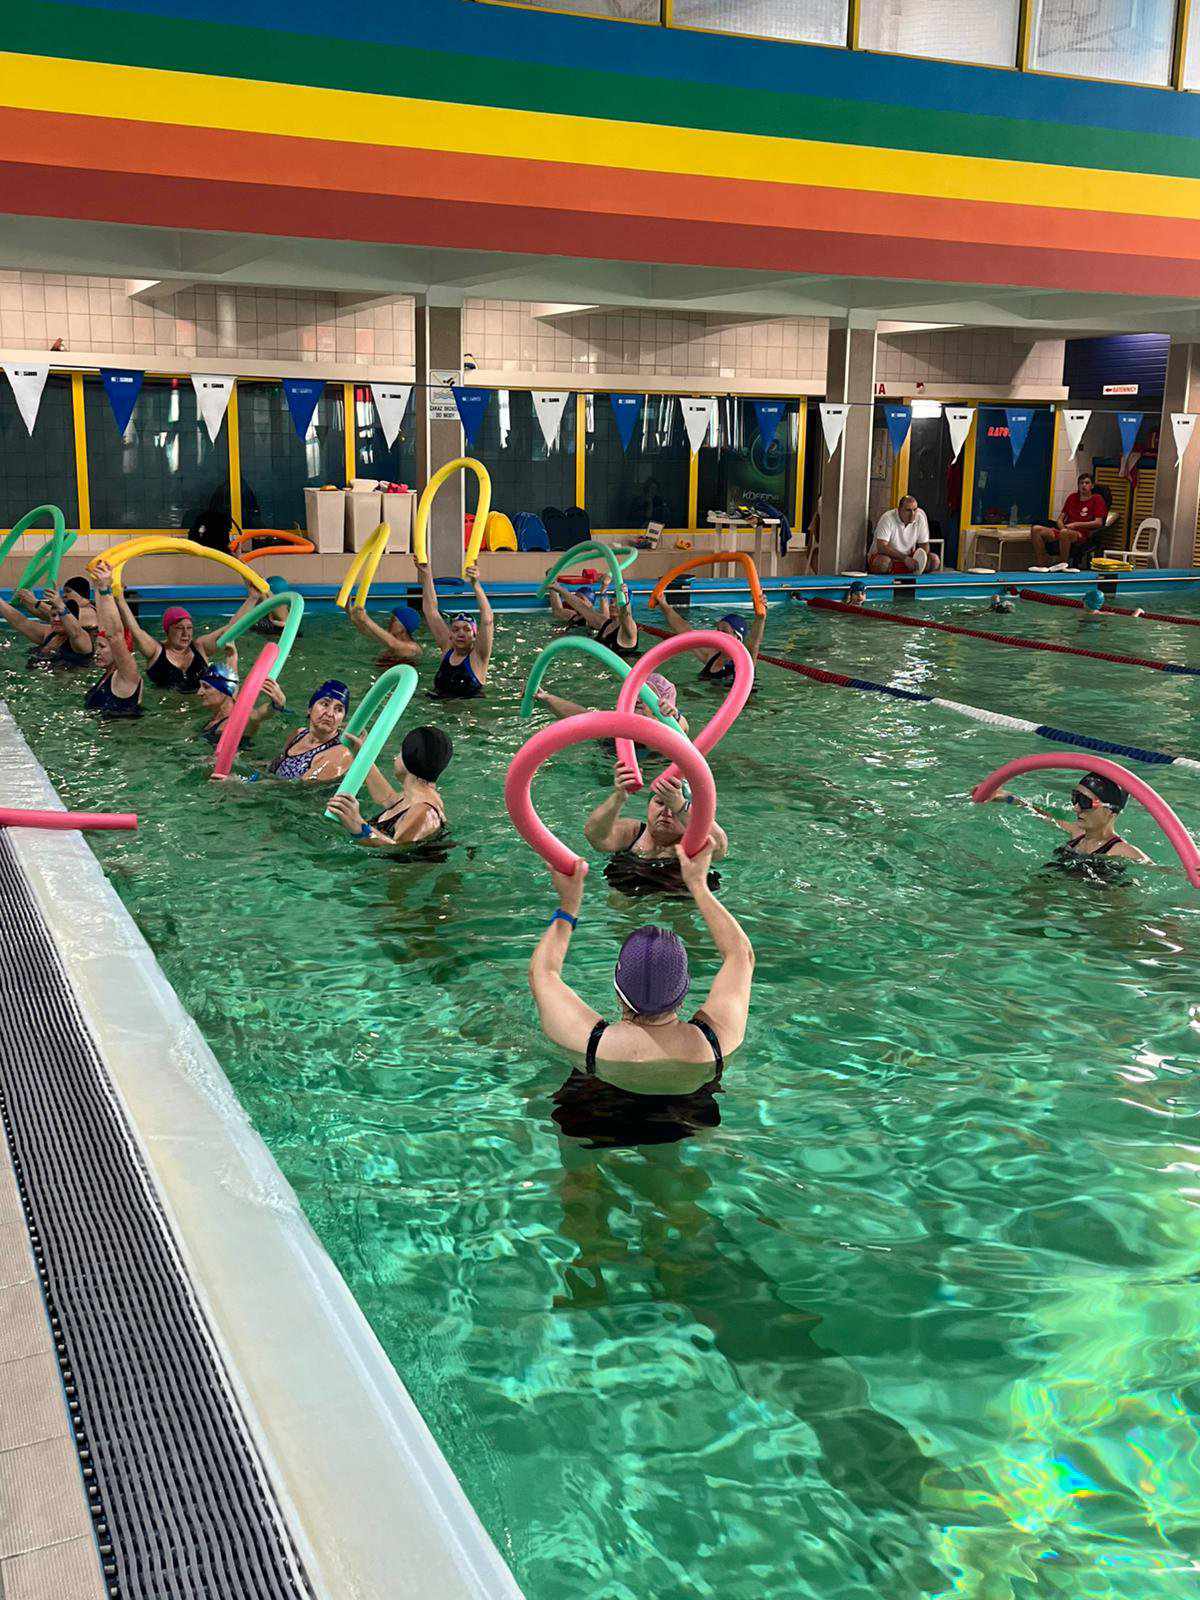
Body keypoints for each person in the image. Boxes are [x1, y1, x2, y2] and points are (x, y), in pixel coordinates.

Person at [528, 841, 753, 1113]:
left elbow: (543, 972)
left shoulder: (590, 1043)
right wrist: (698, 885)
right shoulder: (715, 1042)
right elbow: (741, 955)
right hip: (685, 1122)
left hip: (595, 1116)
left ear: (617, 989)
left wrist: (569, 905)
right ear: (683, 993)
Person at [585, 756, 728, 894]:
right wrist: (618, 797)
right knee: (618, 899)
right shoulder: (632, 832)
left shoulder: (695, 842)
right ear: (648, 805)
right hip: (631, 881)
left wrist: (680, 806)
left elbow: (720, 847)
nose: (666, 812)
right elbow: (595, 836)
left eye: (673, 808)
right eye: (659, 803)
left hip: (681, 890)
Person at [327, 725, 452, 848]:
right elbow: (388, 798)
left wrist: (358, 825)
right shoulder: (414, 797)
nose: (395, 757)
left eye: (400, 752)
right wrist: (360, 753)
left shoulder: (424, 812)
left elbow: (397, 849)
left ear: (410, 757)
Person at [986, 772, 1149, 866]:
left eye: (1084, 801)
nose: (1075, 808)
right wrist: (1007, 798)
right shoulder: (1077, 833)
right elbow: (1037, 813)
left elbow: (1159, 871)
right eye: (1075, 798)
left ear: (1109, 812)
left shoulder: (1122, 851)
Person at [117, 585, 258, 692]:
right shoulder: (155, 651)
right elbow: (135, 630)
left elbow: (231, 629)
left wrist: (253, 598)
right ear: (167, 630)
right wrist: (119, 599)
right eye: (179, 628)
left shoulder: (200, 647)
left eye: (189, 628)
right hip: (166, 713)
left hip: (201, 707)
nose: (186, 633)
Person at [418, 560, 494, 698]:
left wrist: (475, 584)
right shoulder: (447, 648)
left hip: (467, 710)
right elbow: (430, 611)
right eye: (456, 629)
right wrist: (426, 573)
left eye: (467, 629)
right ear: (450, 635)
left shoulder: (479, 657)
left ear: (475, 636)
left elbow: (487, 621)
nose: (461, 633)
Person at [534, 672, 689, 738]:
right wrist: (546, 697)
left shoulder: (675, 725)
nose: (639, 701)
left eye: (645, 699)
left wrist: (667, 715)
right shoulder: (618, 727)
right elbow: (582, 718)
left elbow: (681, 727)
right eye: (636, 700)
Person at [257, 679, 353, 781]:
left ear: (342, 719)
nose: (330, 714)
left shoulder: (340, 754)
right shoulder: (299, 734)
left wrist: (252, 784)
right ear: (310, 709)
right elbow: (274, 766)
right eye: (325, 704)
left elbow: (299, 787)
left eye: (339, 710)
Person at [652, 599, 764, 684]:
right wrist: (663, 604)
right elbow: (685, 631)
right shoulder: (711, 655)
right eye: (718, 630)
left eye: (724, 631)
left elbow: (754, 643)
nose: (719, 635)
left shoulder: (744, 663)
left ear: (738, 638)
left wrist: (760, 617)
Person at [84, 561, 143, 717]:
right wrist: (97, 585)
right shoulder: (109, 673)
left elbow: (115, 636)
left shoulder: (127, 674)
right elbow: (104, 624)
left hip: (121, 732)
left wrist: (105, 590)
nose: (96, 652)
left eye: (102, 647)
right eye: (97, 646)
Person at [0, 584, 96, 668]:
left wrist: (60, 606)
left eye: (60, 615)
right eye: (53, 615)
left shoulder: (82, 640)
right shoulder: (49, 633)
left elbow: (75, 632)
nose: (56, 619)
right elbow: (21, 622)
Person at [547, 578, 639, 659]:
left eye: (617, 603)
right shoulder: (605, 623)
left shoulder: (629, 630)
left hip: (623, 672)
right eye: (611, 602)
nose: (612, 605)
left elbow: (626, 615)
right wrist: (559, 588)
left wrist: (625, 601)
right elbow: (581, 607)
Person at [1030, 474, 1108, 568]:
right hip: (1065, 530)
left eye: (1087, 483)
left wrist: (1076, 525)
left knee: (1064, 533)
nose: (1083, 485)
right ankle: (1042, 564)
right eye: (1081, 483)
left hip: (1081, 533)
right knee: (1036, 529)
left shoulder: (1097, 499)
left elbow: (1098, 522)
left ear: (1092, 486)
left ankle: (1062, 564)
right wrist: (1062, 528)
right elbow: (1060, 519)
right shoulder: (1072, 497)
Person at [868, 496, 941, 575]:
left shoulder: (920, 517)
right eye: (908, 510)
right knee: (883, 563)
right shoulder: (887, 518)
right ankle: (890, 578)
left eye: (915, 510)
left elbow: (924, 545)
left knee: (934, 560)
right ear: (899, 510)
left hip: (909, 559)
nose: (912, 514)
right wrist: (905, 558)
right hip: (888, 558)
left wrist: (920, 561)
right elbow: (881, 547)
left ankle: (915, 576)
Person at [347, 601, 422, 668]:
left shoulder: (412, 648)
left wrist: (365, 618)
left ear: (404, 627)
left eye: (393, 620)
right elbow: (365, 630)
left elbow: (394, 644)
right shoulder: (390, 640)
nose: (389, 623)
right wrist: (348, 610)